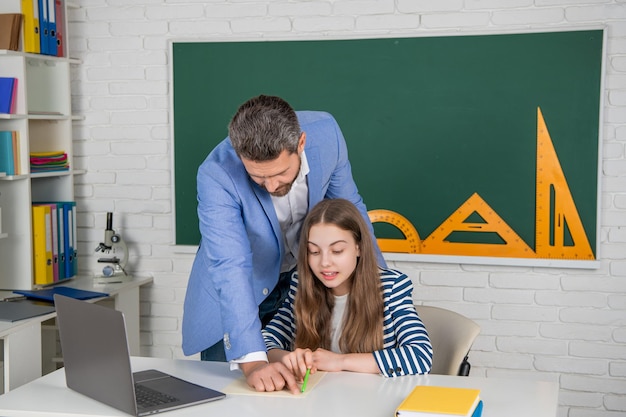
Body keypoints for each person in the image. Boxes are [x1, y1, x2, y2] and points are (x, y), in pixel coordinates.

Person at [182, 95, 385, 394]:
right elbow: (231, 264)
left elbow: (351, 208)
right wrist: (252, 363)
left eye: (279, 173)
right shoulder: (217, 174)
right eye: (257, 178)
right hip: (238, 294)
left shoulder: (327, 135)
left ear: (300, 143)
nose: (271, 187)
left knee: (305, 393)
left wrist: (377, 286)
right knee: (231, 401)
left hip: (301, 291)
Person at [262, 198, 433, 385]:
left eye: (337, 251)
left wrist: (340, 361)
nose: (325, 262)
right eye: (314, 252)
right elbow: (264, 340)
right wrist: (287, 358)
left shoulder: (391, 287)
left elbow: (420, 356)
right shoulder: (301, 285)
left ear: (358, 247)